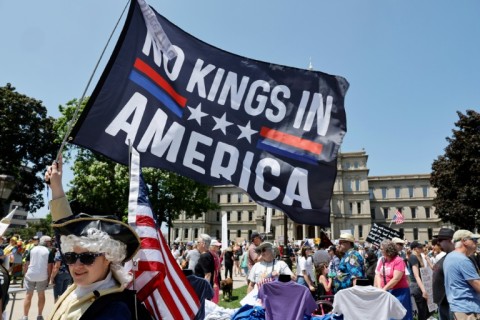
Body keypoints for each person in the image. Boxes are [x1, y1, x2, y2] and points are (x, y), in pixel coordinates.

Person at [45, 159, 151, 320]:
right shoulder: (84, 285)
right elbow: (65, 232)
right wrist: (56, 186)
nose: (77, 265)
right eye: (70, 257)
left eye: (87, 257)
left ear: (109, 257)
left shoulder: (114, 310)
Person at [444, 230, 480, 319]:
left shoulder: (449, 257)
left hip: (458, 307)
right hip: (468, 309)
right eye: (474, 239)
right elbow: (478, 286)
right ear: (464, 241)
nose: (477, 242)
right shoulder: (463, 260)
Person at [375, 240, 413, 320]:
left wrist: (384, 289)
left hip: (399, 292)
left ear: (388, 250)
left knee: (400, 315)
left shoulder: (398, 260)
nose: (380, 250)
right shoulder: (382, 260)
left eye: (382, 249)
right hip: (386, 292)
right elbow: (378, 275)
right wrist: (379, 288)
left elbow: (396, 278)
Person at [22, 235, 55, 320]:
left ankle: (25, 316)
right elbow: (50, 266)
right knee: (41, 295)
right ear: (47, 242)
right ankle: (39, 315)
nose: (50, 243)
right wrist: (49, 278)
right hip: (42, 276)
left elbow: (26, 263)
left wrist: (25, 274)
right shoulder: (49, 251)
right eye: (50, 241)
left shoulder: (32, 249)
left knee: (28, 295)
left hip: (30, 275)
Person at [431, 227, 455, 320]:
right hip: (443, 302)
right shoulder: (446, 256)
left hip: (450, 302)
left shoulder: (455, 257)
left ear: (449, 240)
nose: (438, 243)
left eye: (440, 240)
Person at [408, 241, 430, 320]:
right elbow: (416, 275)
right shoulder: (413, 257)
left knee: (425, 310)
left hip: (420, 285)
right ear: (414, 249)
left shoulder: (419, 256)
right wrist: (423, 290)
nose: (422, 249)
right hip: (417, 286)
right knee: (422, 310)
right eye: (420, 247)